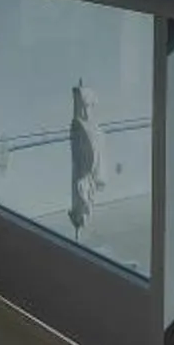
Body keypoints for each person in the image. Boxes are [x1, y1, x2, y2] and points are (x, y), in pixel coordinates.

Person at [67, 81, 100, 238]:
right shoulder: (77, 125)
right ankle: (78, 219)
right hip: (80, 171)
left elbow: (93, 151)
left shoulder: (88, 127)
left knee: (82, 194)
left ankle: (80, 218)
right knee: (79, 193)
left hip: (84, 173)